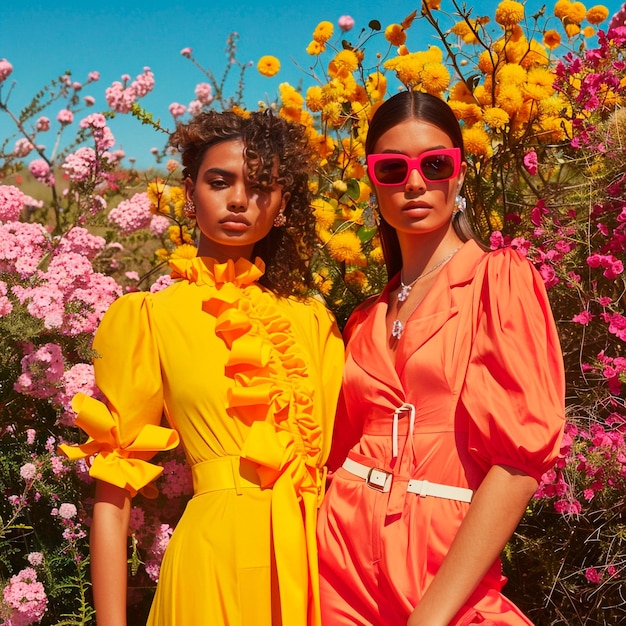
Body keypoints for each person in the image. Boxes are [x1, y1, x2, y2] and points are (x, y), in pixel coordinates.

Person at [60, 109, 344, 626]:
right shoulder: (151, 316)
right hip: (211, 568)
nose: (239, 200)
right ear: (190, 194)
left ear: (282, 205)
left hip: (314, 570)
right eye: (220, 182)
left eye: (262, 186)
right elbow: (114, 488)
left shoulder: (315, 322)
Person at [316, 90, 565, 626]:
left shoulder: (499, 281)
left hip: (441, 568)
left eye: (434, 163)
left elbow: (518, 464)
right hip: (337, 570)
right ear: (372, 180)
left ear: (458, 172)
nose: (413, 182)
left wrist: (429, 616)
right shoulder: (362, 319)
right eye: (391, 167)